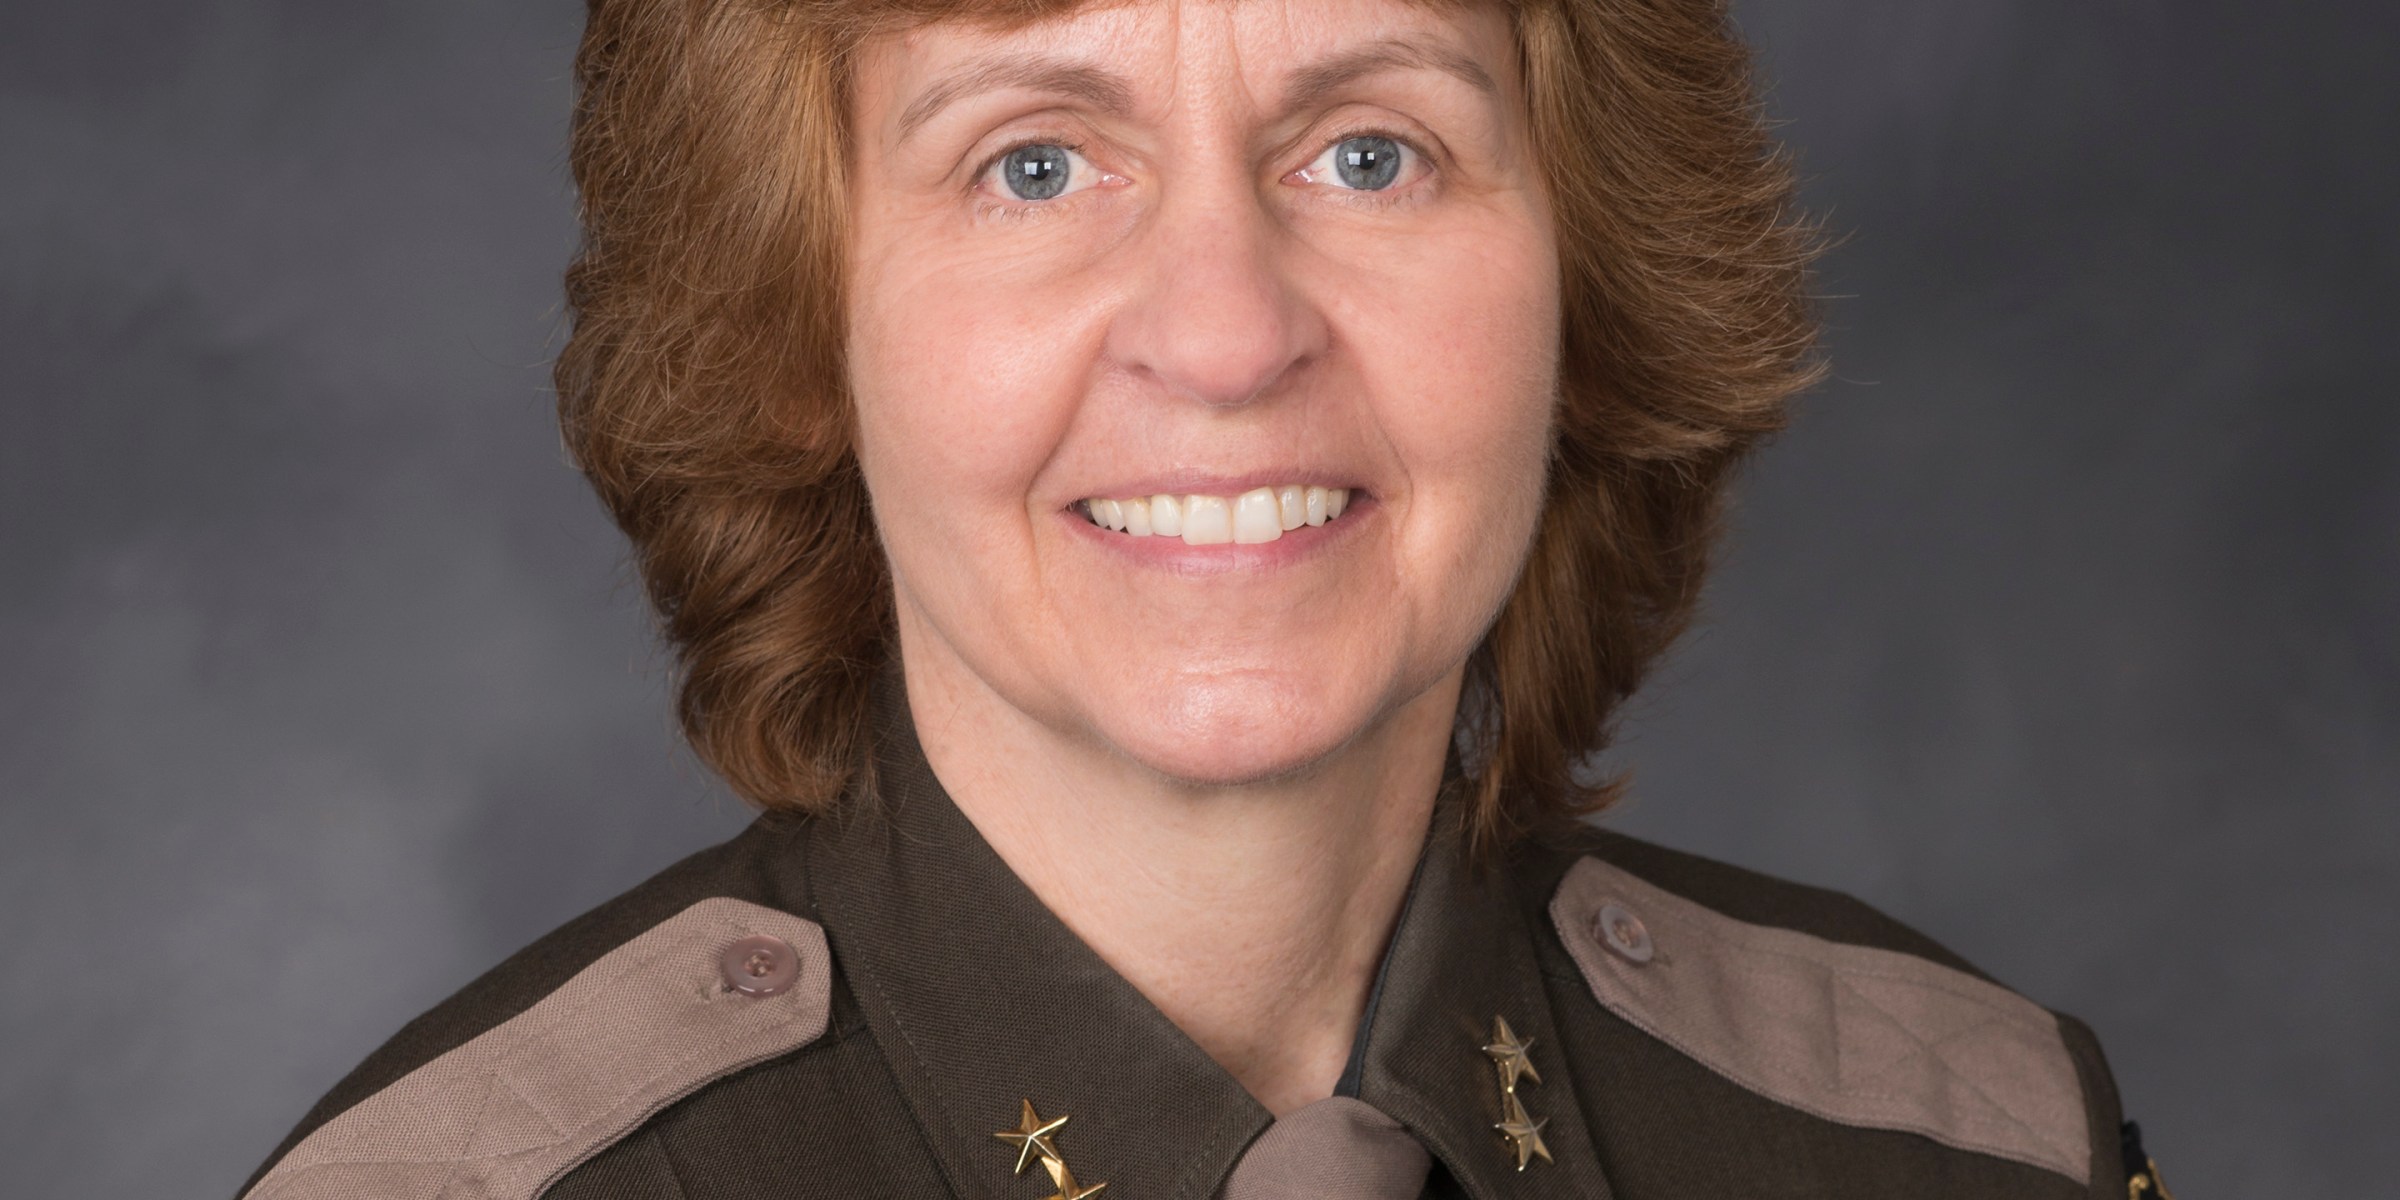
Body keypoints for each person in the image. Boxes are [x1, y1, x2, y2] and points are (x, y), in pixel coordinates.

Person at [240, 1, 2170, 1197]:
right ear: (798, 328)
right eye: (1036, 164)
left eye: (1369, 151)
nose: (1229, 336)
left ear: (1587, 285)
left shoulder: (1962, 1143)